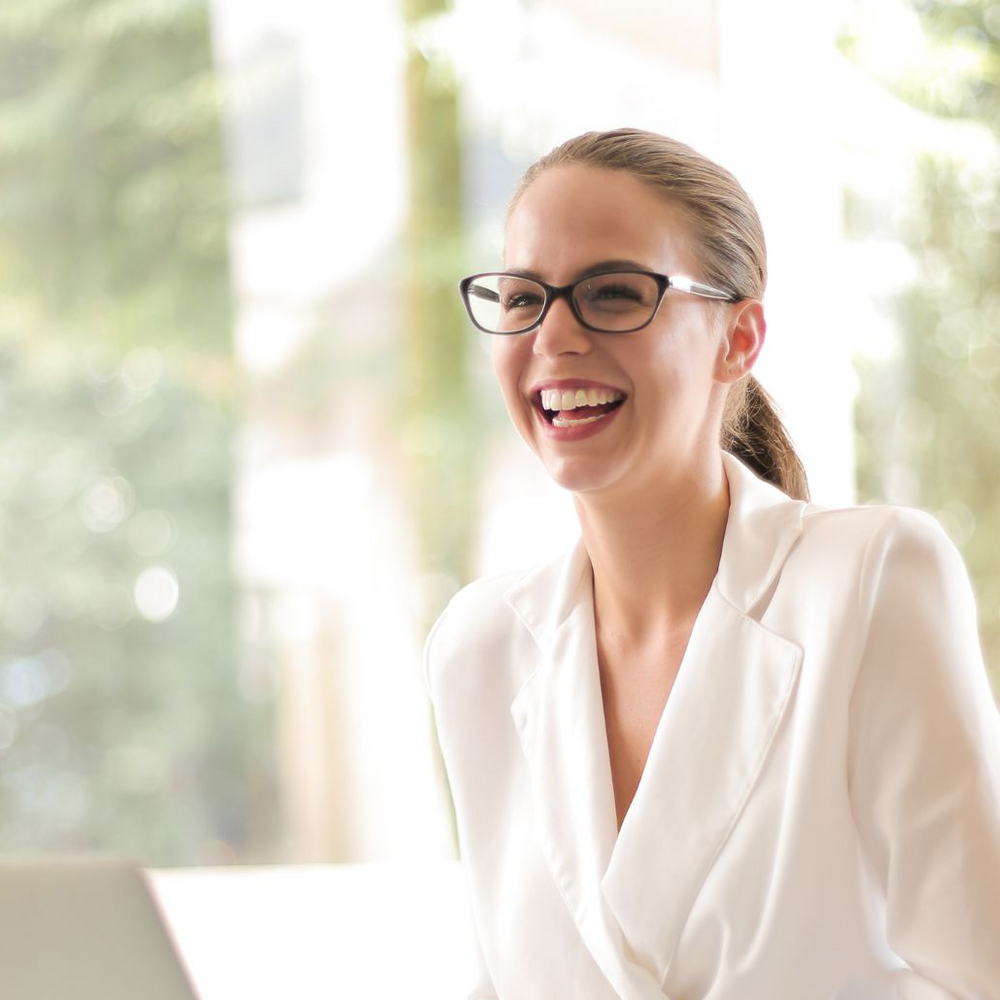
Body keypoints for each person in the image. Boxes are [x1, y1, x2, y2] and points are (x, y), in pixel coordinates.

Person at [424, 128, 1000, 1000]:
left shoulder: (872, 580)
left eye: (614, 293)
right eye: (522, 298)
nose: (556, 335)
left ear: (739, 338)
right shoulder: (479, 645)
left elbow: (977, 976)